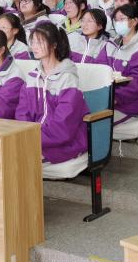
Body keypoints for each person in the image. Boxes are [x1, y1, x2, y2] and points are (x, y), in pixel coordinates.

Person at [14, 23, 88, 179]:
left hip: (61, 141)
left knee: (15, 161)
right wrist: (24, 136)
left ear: (54, 44)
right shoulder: (32, 77)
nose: (34, 46)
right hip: (34, 138)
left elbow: (64, 125)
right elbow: (22, 113)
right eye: (33, 42)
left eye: (40, 42)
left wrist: (31, 139)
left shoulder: (68, 78)